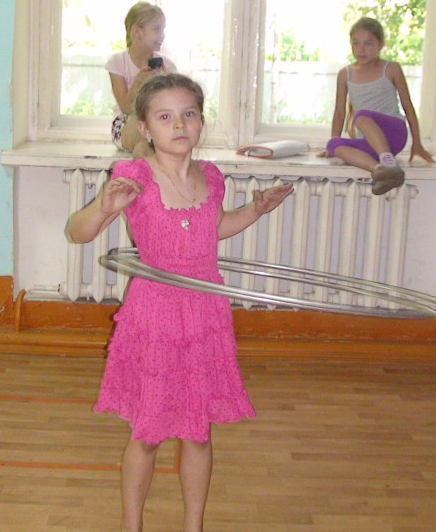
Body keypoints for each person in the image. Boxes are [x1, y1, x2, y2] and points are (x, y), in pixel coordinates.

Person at [66, 73, 294, 532]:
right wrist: (103, 206)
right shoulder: (133, 177)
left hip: (204, 313)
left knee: (198, 431)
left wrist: (255, 210)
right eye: (165, 117)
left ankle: (194, 525)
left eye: (189, 114)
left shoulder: (211, 177)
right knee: (148, 433)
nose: (179, 125)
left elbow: (213, 229)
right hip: (155, 314)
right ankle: (132, 525)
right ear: (145, 128)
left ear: (202, 122)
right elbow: (78, 233)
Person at [321, 17, 435, 195]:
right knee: (334, 143)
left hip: (393, 134)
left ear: (380, 45)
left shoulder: (391, 68)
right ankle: (381, 171)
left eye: (368, 43)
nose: (361, 49)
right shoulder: (345, 74)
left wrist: (417, 143)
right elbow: (339, 113)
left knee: (361, 116)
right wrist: (331, 148)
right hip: (369, 142)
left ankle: (388, 162)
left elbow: (408, 107)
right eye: (356, 43)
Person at [106, 1, 177, 159]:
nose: (163, 35)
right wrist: (139, 81)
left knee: (144, 148)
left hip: (156, 124)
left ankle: (145, 173)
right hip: (126, 123)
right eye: (157, 29)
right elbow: (125, 108)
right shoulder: (117, 63)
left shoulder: (168, 66)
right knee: (145, 136)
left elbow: (173, 107)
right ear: (137, 32)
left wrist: (165, 83)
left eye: (163, 29)